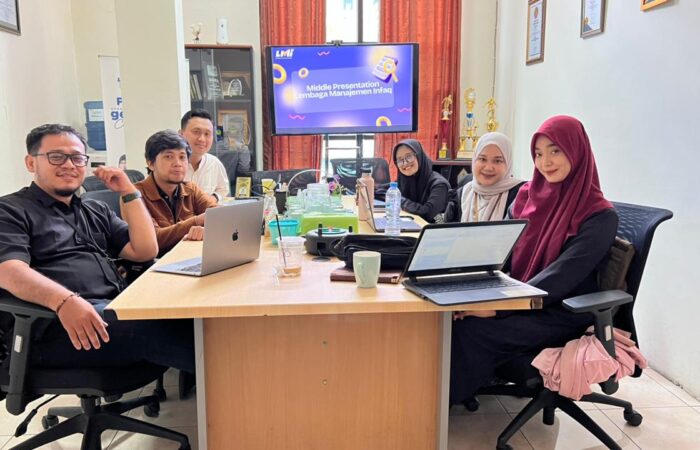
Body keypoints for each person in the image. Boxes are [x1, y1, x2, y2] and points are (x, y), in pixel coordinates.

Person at [449, 115, 619, 405]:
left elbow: (561, 277)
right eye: (538, 154)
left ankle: (442, 406)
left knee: (470, 330)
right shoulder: (527, 196)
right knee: (450, 314)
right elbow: (500, 252)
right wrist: (470, 289)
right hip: (521, 295)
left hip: (561, 311)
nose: (545, 162)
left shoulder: (600, 215)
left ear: (576, 151)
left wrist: (498, 309)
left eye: (555, 151)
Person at [0, 124, 194, 373]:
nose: (69, 165)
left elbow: (144, 251)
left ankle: (224, 386)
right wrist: (64, 301)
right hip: (54, 325)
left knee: (194, 315)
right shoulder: (11, 210)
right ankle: (229, 383)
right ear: (31, 163)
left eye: (77, 158)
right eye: (57, 157)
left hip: (108, 309)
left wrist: (129, 191)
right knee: (165, 327)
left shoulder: (94, 210)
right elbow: (9, 271)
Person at [135, 130, 217, 257]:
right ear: (150, 163)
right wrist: (196, 221)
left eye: (182, 157)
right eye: (168, 157)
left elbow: (219, 214)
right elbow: (153, 239)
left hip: (190, 257)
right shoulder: (134, 195)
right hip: (157, 264)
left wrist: (204, 229)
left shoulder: (190, 189)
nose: (178, 164)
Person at [441, 132, 524, 223]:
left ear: (508, 163)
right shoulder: (461, 195)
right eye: (482, 159)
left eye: (497, 161)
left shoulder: (521, 195)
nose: (488, 168)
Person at [391, 139, 449, 222]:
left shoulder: (439, 184)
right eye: (400, 160)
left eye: (409, 156)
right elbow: (383, 190)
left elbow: (428, 214)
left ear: (419, 155)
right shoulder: (403, 180)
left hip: (434, 228)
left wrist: (400, 200)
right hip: (411, 225)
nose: (405, 163)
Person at [180, 109, 230, 202]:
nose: (202, 139)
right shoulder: (172, 164)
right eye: (196, 132)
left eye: (207, 134)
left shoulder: (214, 163)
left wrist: (214, 198)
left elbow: (223, 189)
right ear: (181, 134)